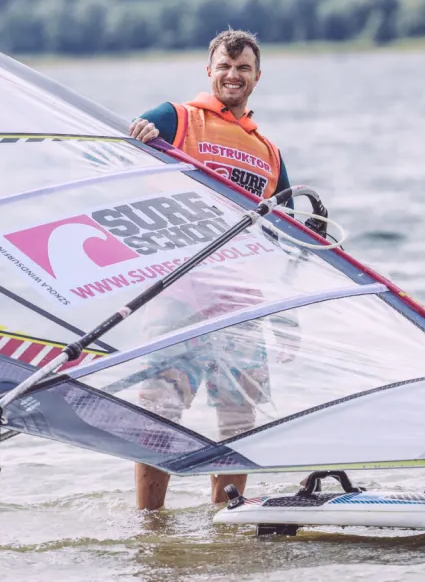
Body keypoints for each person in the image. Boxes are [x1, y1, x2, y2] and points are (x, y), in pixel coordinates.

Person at [127, 29, 295, 511]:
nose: (233, 76)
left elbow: (281, 240)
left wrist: (287, 318)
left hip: (242, 307)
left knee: (240, 419)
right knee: (158, 415)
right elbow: (121, 158)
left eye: (243, 69)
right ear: (209, 71)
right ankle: (149, 527)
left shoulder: (268, 152)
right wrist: (139, 138)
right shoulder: (176, 117)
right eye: (225, 66)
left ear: (257, 77)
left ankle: (227, 522)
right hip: (177, 296)